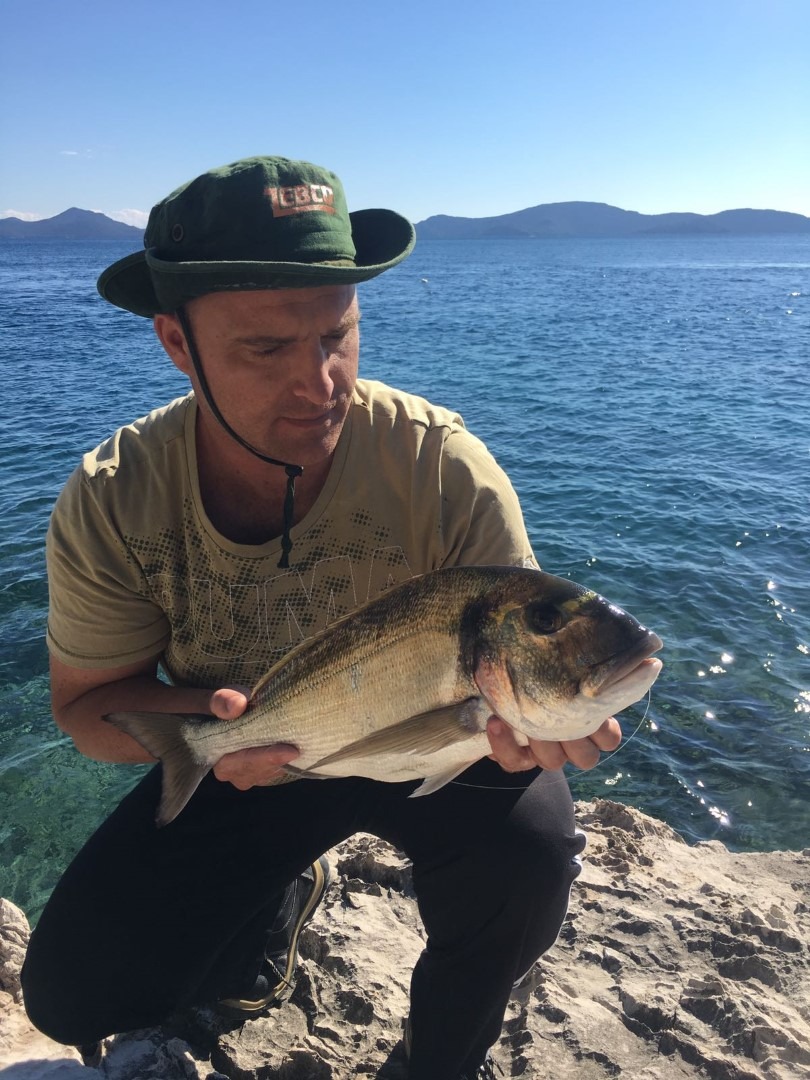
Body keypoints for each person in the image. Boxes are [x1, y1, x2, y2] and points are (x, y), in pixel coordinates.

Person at [21, 155, 620, 1080]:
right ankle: (278, 904)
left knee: (532, 860)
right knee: (72, 996)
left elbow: (521, 640)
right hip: (254, 761)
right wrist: (210, 734)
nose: (320, 382)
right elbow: (89, 707)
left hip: (438, 742)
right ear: (176, 342)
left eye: (338, 334)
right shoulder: (115, 498)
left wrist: (532, 729)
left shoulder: (444, 470)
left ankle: (437, 1061)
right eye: (266, 349)